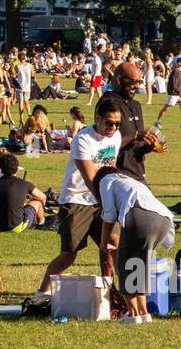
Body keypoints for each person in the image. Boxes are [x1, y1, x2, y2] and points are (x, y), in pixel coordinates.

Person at [34, 98, 122, 295]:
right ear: (97, 118)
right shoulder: (83, 139)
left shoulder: (115, 137)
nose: (113, 127)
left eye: (118, 124)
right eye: (109, 122)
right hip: (77, 201)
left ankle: (110, 292)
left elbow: (111, 168)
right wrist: (108, 201)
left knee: (111, 245)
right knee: (68, 255)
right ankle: (41, 295)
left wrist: (115, 196)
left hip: (102, 201)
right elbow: (90, 178)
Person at [95, 166, 176, 323]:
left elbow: (109, 216)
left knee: (125, 265)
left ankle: (133, 314)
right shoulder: (131, 181)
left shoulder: (106, 180)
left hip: (141, 218)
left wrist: (103, 243)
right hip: (164, 221)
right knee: (140, 266)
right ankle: (144, 313)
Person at [0, 151, 47, 232]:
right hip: (16, 226)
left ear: (1, 169)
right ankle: (42, 223)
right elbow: (42, 197)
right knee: (37, 202)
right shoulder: (24, 184)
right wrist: (43, 207)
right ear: (17, 168)